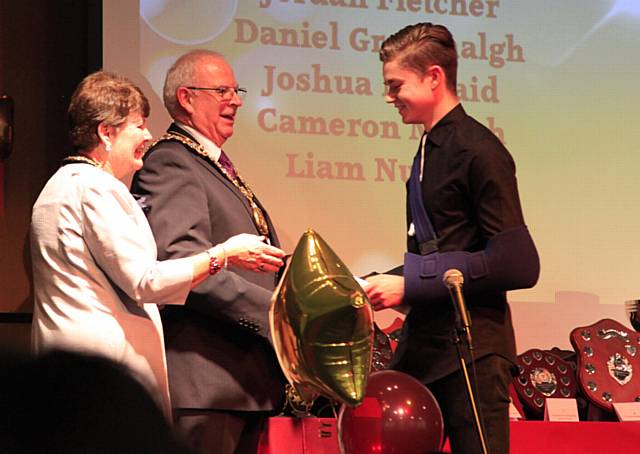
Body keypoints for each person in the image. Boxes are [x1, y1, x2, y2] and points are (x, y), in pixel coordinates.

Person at [30, 71, 285, 419]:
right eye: (138, 125)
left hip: (68, 368)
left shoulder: (58, 186)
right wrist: (223, 254)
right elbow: (146, 281)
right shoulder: (96, 188)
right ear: (106, 132)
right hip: (103, 375)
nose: (149, 136)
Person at [365, 23, 540, 454]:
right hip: (428, 348)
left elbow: (519, 263)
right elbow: (442, 250)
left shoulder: (479, 149)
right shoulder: (429, 147)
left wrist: (410, 282)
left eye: (395, 85)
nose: (389, 97)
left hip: (472, 354)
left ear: (434, 77)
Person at [131, 50, 286, 454]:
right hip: (205, 386)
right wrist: (275, 315)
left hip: (238, 386)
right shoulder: (171, 162)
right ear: (186, 97)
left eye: (237, 91)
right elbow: (183, 260)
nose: (235, 100)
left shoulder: (208, 164)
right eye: (222, 91)